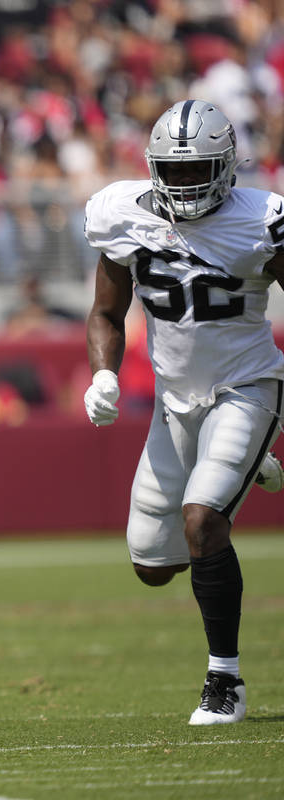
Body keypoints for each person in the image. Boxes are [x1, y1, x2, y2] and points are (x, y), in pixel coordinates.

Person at [83, 99, 284, 726]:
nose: (186, 183)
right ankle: (255, 466)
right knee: (152, 566)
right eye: (175, 170)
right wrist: (105, 373)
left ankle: (224, 680)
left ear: (226, 167)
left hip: (247, 385)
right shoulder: (123, 216)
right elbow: (106, 313)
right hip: (174, 402)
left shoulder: (260, 221)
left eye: (199, 169)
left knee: (202, 522)